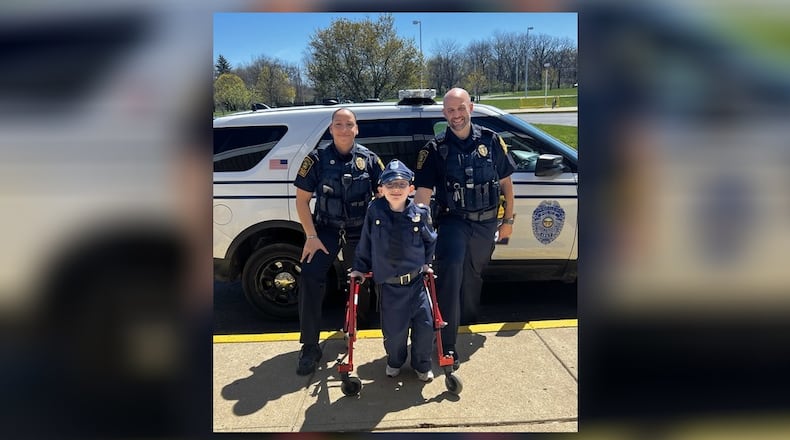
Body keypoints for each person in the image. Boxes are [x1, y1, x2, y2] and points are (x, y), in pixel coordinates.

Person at [413, 87, 516, 370]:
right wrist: (419, 231)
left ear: (470, 108)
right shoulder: (434, 149)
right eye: (450, 110)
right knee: (452, 271)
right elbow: (422, 195)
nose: (456, 115)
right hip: (453, 221)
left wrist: (507, 221)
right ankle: (447, 344)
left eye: (460, 109)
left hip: (485, 223)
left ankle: (466, 319)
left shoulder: (491, 140)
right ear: (444, 113)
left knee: (473, 271)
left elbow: (506, 183)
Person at [293, 108, 384, 376]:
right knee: (310, 276)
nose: (344, 129)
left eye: (349, 124)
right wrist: (310, 237)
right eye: (339, 124)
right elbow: (301, 200)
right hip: (325, 230)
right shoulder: (316, 159)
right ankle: (310, 345)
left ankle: (358, 329)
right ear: (331, 129)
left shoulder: (369, 159)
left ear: (357, 129)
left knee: (362, 280)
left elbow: (385, 193)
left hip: (359, 231)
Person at [350, 159, 437, 382]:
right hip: (390, 286)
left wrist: (427, 262)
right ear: (381, 190)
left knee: (426, 327)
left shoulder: (420, 213)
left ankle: (422, 364)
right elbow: (366, 241)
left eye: (401, 185)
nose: (396, 190)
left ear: (411, 188)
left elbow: (430, 240)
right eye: (390, 185)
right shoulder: (375, 212)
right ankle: (395, 360)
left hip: (417, 283)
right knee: (395, 334)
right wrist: (359, 268)